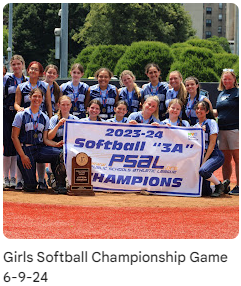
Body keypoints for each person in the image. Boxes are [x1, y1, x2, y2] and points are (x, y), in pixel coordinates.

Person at [11, 88, 67, 194]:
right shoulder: (21, 115)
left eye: (39, 97)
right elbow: (14, 137)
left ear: (42, 99)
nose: (37, 99)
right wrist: (22, 156)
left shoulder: (44, 117)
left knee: (59, 153)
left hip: (39, 148)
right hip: (26, 150)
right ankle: (26, 181)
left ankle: (59, 184)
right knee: (31, 187)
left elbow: (45, 140)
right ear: (30, 98)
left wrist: (56, 144)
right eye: (35, 96)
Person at [14, 61, 52, 190]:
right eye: (31, 69)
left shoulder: (45, 85)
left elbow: (48, 104)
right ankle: (19, 180)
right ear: (28, 70)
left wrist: (51, 118)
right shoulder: (22, 86)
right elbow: (16, 104)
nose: (33, 71)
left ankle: (42, 180)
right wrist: (20, 110)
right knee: (22, 150)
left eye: (36, 69)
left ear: (40, 72)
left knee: (40, 147)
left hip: (40, 119)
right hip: (26, 118)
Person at [194, 101, 230, 197]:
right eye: (197, 108)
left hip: (215, 155)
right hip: (203, 156)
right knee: (205, 192)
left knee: (203, 170)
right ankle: (222, 186)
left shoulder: (211, 122)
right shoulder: (195, 126)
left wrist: (205, 160)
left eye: (202, 109)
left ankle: (218, 185)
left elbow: (212, 143)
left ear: (206, 111)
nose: (199, 110)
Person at [3, 55, 27, 189]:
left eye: (19, 64)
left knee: (17, 146)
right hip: (7, 115)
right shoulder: (6, 79)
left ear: (23, 65)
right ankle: (5, 177)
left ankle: (14, 177)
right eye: (14, 64)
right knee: (7, 146)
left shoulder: (27, 80)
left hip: (20, 117)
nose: (16, 67)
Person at [214, 69, 239, 195]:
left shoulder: (238, 93)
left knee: (237, 158)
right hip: (222, 129)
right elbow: (219, 112)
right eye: (225, 79)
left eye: (229, 79)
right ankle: (226, 184)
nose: (227, 81)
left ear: (234, 79)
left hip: (235, 129)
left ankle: (239, 186)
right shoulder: (221, 93)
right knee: (226, 159)